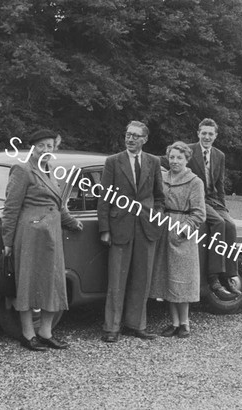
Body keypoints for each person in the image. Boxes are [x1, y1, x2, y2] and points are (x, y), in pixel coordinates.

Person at [1, 129, 83, 351]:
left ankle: (46, 332)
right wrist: (7, 242)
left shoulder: (50, 170)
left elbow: (56, 203)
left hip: (52, 236)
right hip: (30, 235)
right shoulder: (22, 169)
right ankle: (28, 335)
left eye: (50, 146)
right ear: (32, 148)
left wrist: (71, 221)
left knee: (53, 283)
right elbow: (11, 207)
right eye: (41, 146)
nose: (46, 150)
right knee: (27, 283)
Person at [97, 120, 165, 343]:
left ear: (145, 139)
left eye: (136, 136)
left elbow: (159, 196)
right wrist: (104, 228)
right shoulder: (113, 162)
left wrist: (157, 217)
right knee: (117, 278)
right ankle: (112, 328)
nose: (130, 139)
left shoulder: (153, 162)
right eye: (128, 135)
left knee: (142, 277)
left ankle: (136, 325)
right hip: (120, 226)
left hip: (146, 227)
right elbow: (105, 197)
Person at [162, 118, 241, 300]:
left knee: (230, 225)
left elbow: (219, 185)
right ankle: (213, 278)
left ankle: (228, 275)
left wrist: (224, 207)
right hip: (198, 198)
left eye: (210, 134)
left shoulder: (219, 155)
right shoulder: (189, 150)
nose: (206, 137)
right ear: (198, 133)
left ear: (215, 136)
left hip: (214, 200)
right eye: (203, 133)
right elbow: (167, 160)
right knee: (218, 223)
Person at [150, 141, 206, 338]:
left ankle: (185, 323)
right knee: (167, 279)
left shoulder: (194, 181)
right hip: (163, 228)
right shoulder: (162, 177)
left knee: (182, 280)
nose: (174, 161)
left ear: (187, 159)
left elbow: (199, 214)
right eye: (172, 157)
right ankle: (173, 323)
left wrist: (183, 229)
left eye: (179, 158)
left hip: (181, 232)